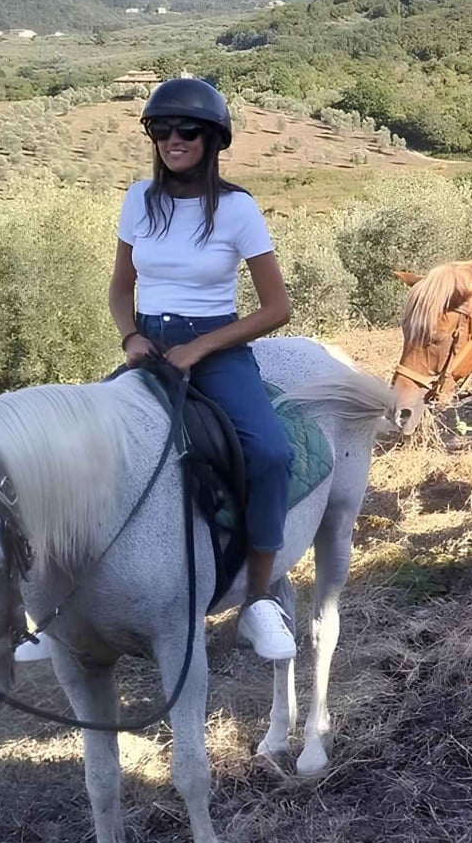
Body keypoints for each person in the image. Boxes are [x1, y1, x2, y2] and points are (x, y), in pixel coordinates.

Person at [111, 78, 297, 661]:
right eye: (160, 130)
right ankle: (70, 605)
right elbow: (121, 287)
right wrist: (131, 335)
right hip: (148, 345)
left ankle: (260, 600)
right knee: (87, 453)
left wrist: (200, 349)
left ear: (212, 138)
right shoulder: (138, 200)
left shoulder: (238, 209)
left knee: (270, 453)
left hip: (214, 347)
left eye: (186, 130)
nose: (172, 140)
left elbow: (277, 307)